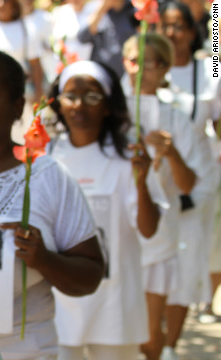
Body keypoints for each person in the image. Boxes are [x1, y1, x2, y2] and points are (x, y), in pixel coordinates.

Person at [0, 49, 104, 359]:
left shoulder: (46, 175)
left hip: (26, 351)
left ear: (17, 106)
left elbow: (90, 275)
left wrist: (45, 259)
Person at [47, 60, 163, 360]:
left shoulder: (130, 158)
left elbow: (149, 230)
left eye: (93, 96)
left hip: (115, 304)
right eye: (71, 96)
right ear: (59, 104)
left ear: (108, 106)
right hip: (60, 302)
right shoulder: (46, 158)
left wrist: (141, 184)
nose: (80, 105)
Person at [121, 33, 199, 360]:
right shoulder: (113, 114)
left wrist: (171, 154)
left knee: (151, 336)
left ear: (165, 67)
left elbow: (188, 185)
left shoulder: (177, 119)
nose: (140, 71)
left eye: (149, 63)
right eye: (133, 61)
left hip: (158, 238)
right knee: (119, 329)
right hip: (119, 231)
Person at [157, 2, 221, 356]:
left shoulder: (209, 67)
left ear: (191, 29)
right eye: (166, 26)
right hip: (158, 182)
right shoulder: (148, 70)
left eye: (179, 26)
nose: (172, 34)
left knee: (187, 256)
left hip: (199, 180)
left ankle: (169, 347)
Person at [0, 0, 45, 101]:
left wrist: (38, 90)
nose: (1, 4)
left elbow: (35, 64)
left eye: (6, 1)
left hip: (20, 92)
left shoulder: (26, 28)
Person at [76, 0, 137, 78]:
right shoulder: (95, 9)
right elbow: (82, 37)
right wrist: (102, 8)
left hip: (127, 76)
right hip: (101, 75)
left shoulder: (134, 9)